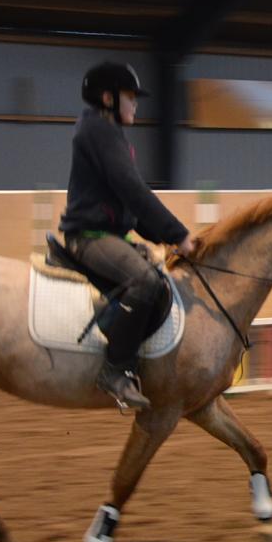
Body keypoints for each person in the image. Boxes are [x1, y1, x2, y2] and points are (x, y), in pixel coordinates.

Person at [59, 62, 195, 410]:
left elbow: (129, 208)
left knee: (159, 280)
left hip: (110, 235)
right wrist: (177, 234)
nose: (135, 105)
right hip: (88, 237)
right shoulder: (97, 131)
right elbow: (133, 189)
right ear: (108, 98)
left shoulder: (110, 134)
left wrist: (161, 237)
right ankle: (114, 370)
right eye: (130, 98)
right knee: (145, 283)